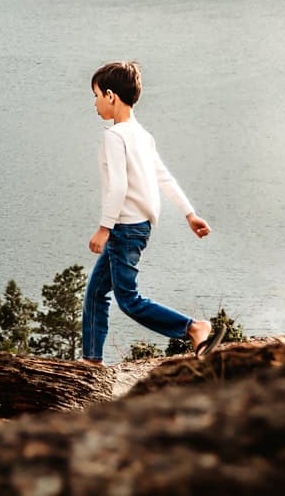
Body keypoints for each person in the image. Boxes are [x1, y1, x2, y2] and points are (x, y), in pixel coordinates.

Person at [81, 60, 218, 361]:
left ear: (110, 95)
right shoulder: (142, 135)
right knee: (95, 293)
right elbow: (164, 177)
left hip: (123, 229)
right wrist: (189, 213)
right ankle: (91, 360)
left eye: (95, 96)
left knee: (128, 300)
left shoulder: (114, 136)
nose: (94, 103)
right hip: (138, 226)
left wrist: (104, 228)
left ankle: (194, 327)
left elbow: (118, 186)